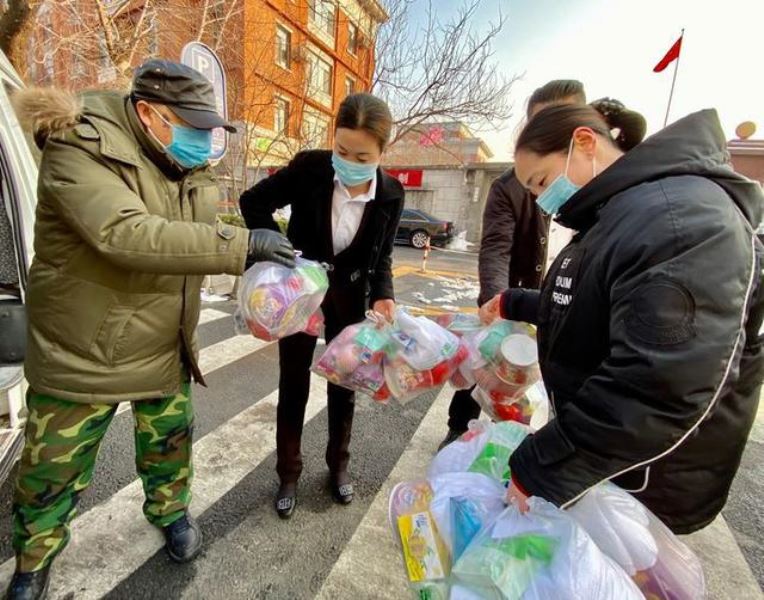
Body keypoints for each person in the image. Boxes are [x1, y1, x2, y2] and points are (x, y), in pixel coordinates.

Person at [7, 60, 295, 600]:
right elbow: (126, 234)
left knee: (169, 445)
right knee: (53, 472)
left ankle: (170, 512)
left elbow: (193, 233)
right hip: (86, 346)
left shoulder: (184, 161)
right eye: (193, 125)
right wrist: (241, 246)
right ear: (148, 113)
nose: (204, 139)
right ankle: (33, 558)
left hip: (164, 340)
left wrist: (253, 245)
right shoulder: (80, 145)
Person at [480, 102, 764, 534]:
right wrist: (514, 303)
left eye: (540, 182)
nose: (541, 201)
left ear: (584, 142)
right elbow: (584, 305)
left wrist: (542, 466)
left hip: (648, 479)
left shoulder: (677, 219)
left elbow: (655, 386)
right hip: (612, 468)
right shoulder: (615, 216)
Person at [239, 93, 404, 519]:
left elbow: (381, 257)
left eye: (362, 155)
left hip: (348, 297)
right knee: (293, 383)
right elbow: (252, 202)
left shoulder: (390, 193)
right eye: (342, 150)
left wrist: (384, 293)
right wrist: (279, 252)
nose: (348, 161)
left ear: (383, 152)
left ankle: (338, 467)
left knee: (344, 385)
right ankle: (288, 474)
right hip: (299, 293)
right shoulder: (311, 167)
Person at [440, 80, 588, 449]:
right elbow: (495, 248)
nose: (548, 136)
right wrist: (498, 302)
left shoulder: (598, 184)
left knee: (551, 388)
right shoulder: (511, 186)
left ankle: (537, 447)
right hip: (518, 301)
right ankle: (459, 428)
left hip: (571, 310)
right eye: (539, 125)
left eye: (561, 124)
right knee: (488, 370)